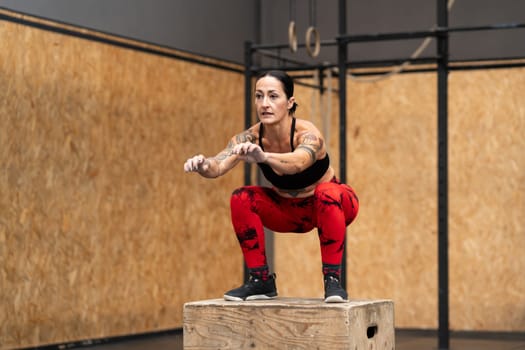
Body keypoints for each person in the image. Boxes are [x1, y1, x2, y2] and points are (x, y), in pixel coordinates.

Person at [183, 70, 359, 303]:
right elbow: (218, 165)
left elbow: (298, 163)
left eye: (273, 96)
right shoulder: (250, 138)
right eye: (259, 96)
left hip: (330, 207)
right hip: (288, 211)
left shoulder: (307, 134)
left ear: (290, 102)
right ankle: (261, 280)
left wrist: (264, 158)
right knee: (241, 197)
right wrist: (202, 165)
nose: (264, 104)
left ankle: (333, 281)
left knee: (327, 192)